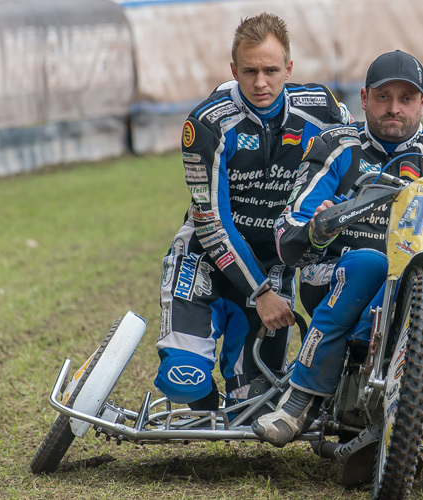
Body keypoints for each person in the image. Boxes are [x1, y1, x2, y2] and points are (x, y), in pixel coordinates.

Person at [252, 50, 423, 493]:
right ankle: (298, 401)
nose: (394, 108)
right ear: (364, 98)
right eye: (383, 97)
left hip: (416, 291)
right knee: (369, 262)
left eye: (406, 97)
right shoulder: (337, 146)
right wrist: (320, 225)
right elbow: (288, 231)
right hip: (339, 281)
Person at [154, 13, 352, 415]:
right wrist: (259, 293)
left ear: (289, 68)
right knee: (183, 381)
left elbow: (363, 150)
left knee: (255, 406)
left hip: (273, 264)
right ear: (234, 70)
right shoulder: (206, 124)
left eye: (271, 70)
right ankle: (203, 407)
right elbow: (211, 222)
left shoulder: (324, 110)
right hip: (204, 261)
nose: (261, 83)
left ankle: (235, 400)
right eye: (250, 71)